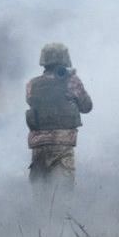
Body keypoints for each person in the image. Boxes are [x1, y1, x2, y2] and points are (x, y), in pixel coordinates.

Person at [26, 43, 92, 187]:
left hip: (39, 146)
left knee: (40, 193)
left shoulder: (32, 84)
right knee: (63, 194)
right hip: (62, 145)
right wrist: (72, 78)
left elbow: (32, 102)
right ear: (65, 59)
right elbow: (87, 106)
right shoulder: (71, 81)